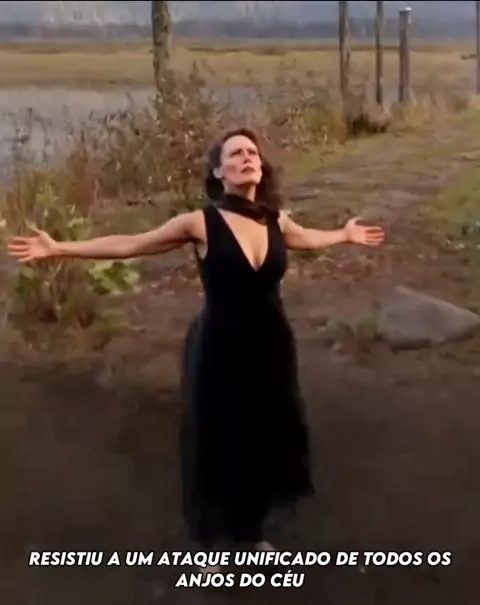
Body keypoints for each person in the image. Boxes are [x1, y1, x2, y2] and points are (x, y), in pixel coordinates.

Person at [6, 128, 385, 565]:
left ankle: (249, 531)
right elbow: (131, 244)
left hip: (271, 345)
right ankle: (211, 537)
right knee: (218, 436)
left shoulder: (275, 220)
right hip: (220, 345)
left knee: (263, 433)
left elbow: (306, 238)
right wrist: (59, 248)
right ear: (219, 172)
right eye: (235, 154)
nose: (246, 158)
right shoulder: (200, 222)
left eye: (252, 152)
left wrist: (344, 234)